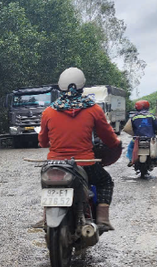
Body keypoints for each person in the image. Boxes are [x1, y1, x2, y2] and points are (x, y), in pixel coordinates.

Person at [38, 67, 122, 231]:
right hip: (85, 164)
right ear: (82, 86)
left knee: (47, 183)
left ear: (60, 87)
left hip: (55, 164)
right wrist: (115, 144)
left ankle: (45, 217)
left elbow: (42, 141)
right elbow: (109, 138)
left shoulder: (48, 112)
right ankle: (103, 219)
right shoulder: (93, 109)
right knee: (105, 182)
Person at [125, 100, 157, 166]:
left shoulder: (134, 117)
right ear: (147, 107)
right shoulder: (151, 116)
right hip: (150, 138)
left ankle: (131, 159)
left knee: (130, 146)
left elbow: (131, 128)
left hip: (137, 139)